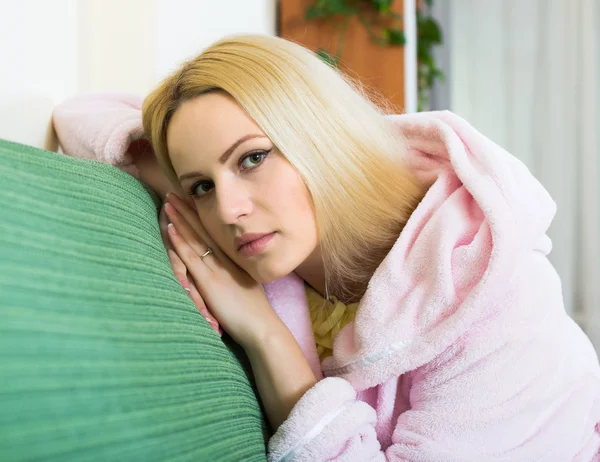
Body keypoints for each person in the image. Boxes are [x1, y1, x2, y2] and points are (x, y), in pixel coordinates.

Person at [53, 34, 600, 461]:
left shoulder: (496, 299)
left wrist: (264, 333)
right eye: (201, 187)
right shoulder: (282, 247)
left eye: (251, 159)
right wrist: (182, 174)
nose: (227, 212)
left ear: (317, 136)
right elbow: (79, 117)